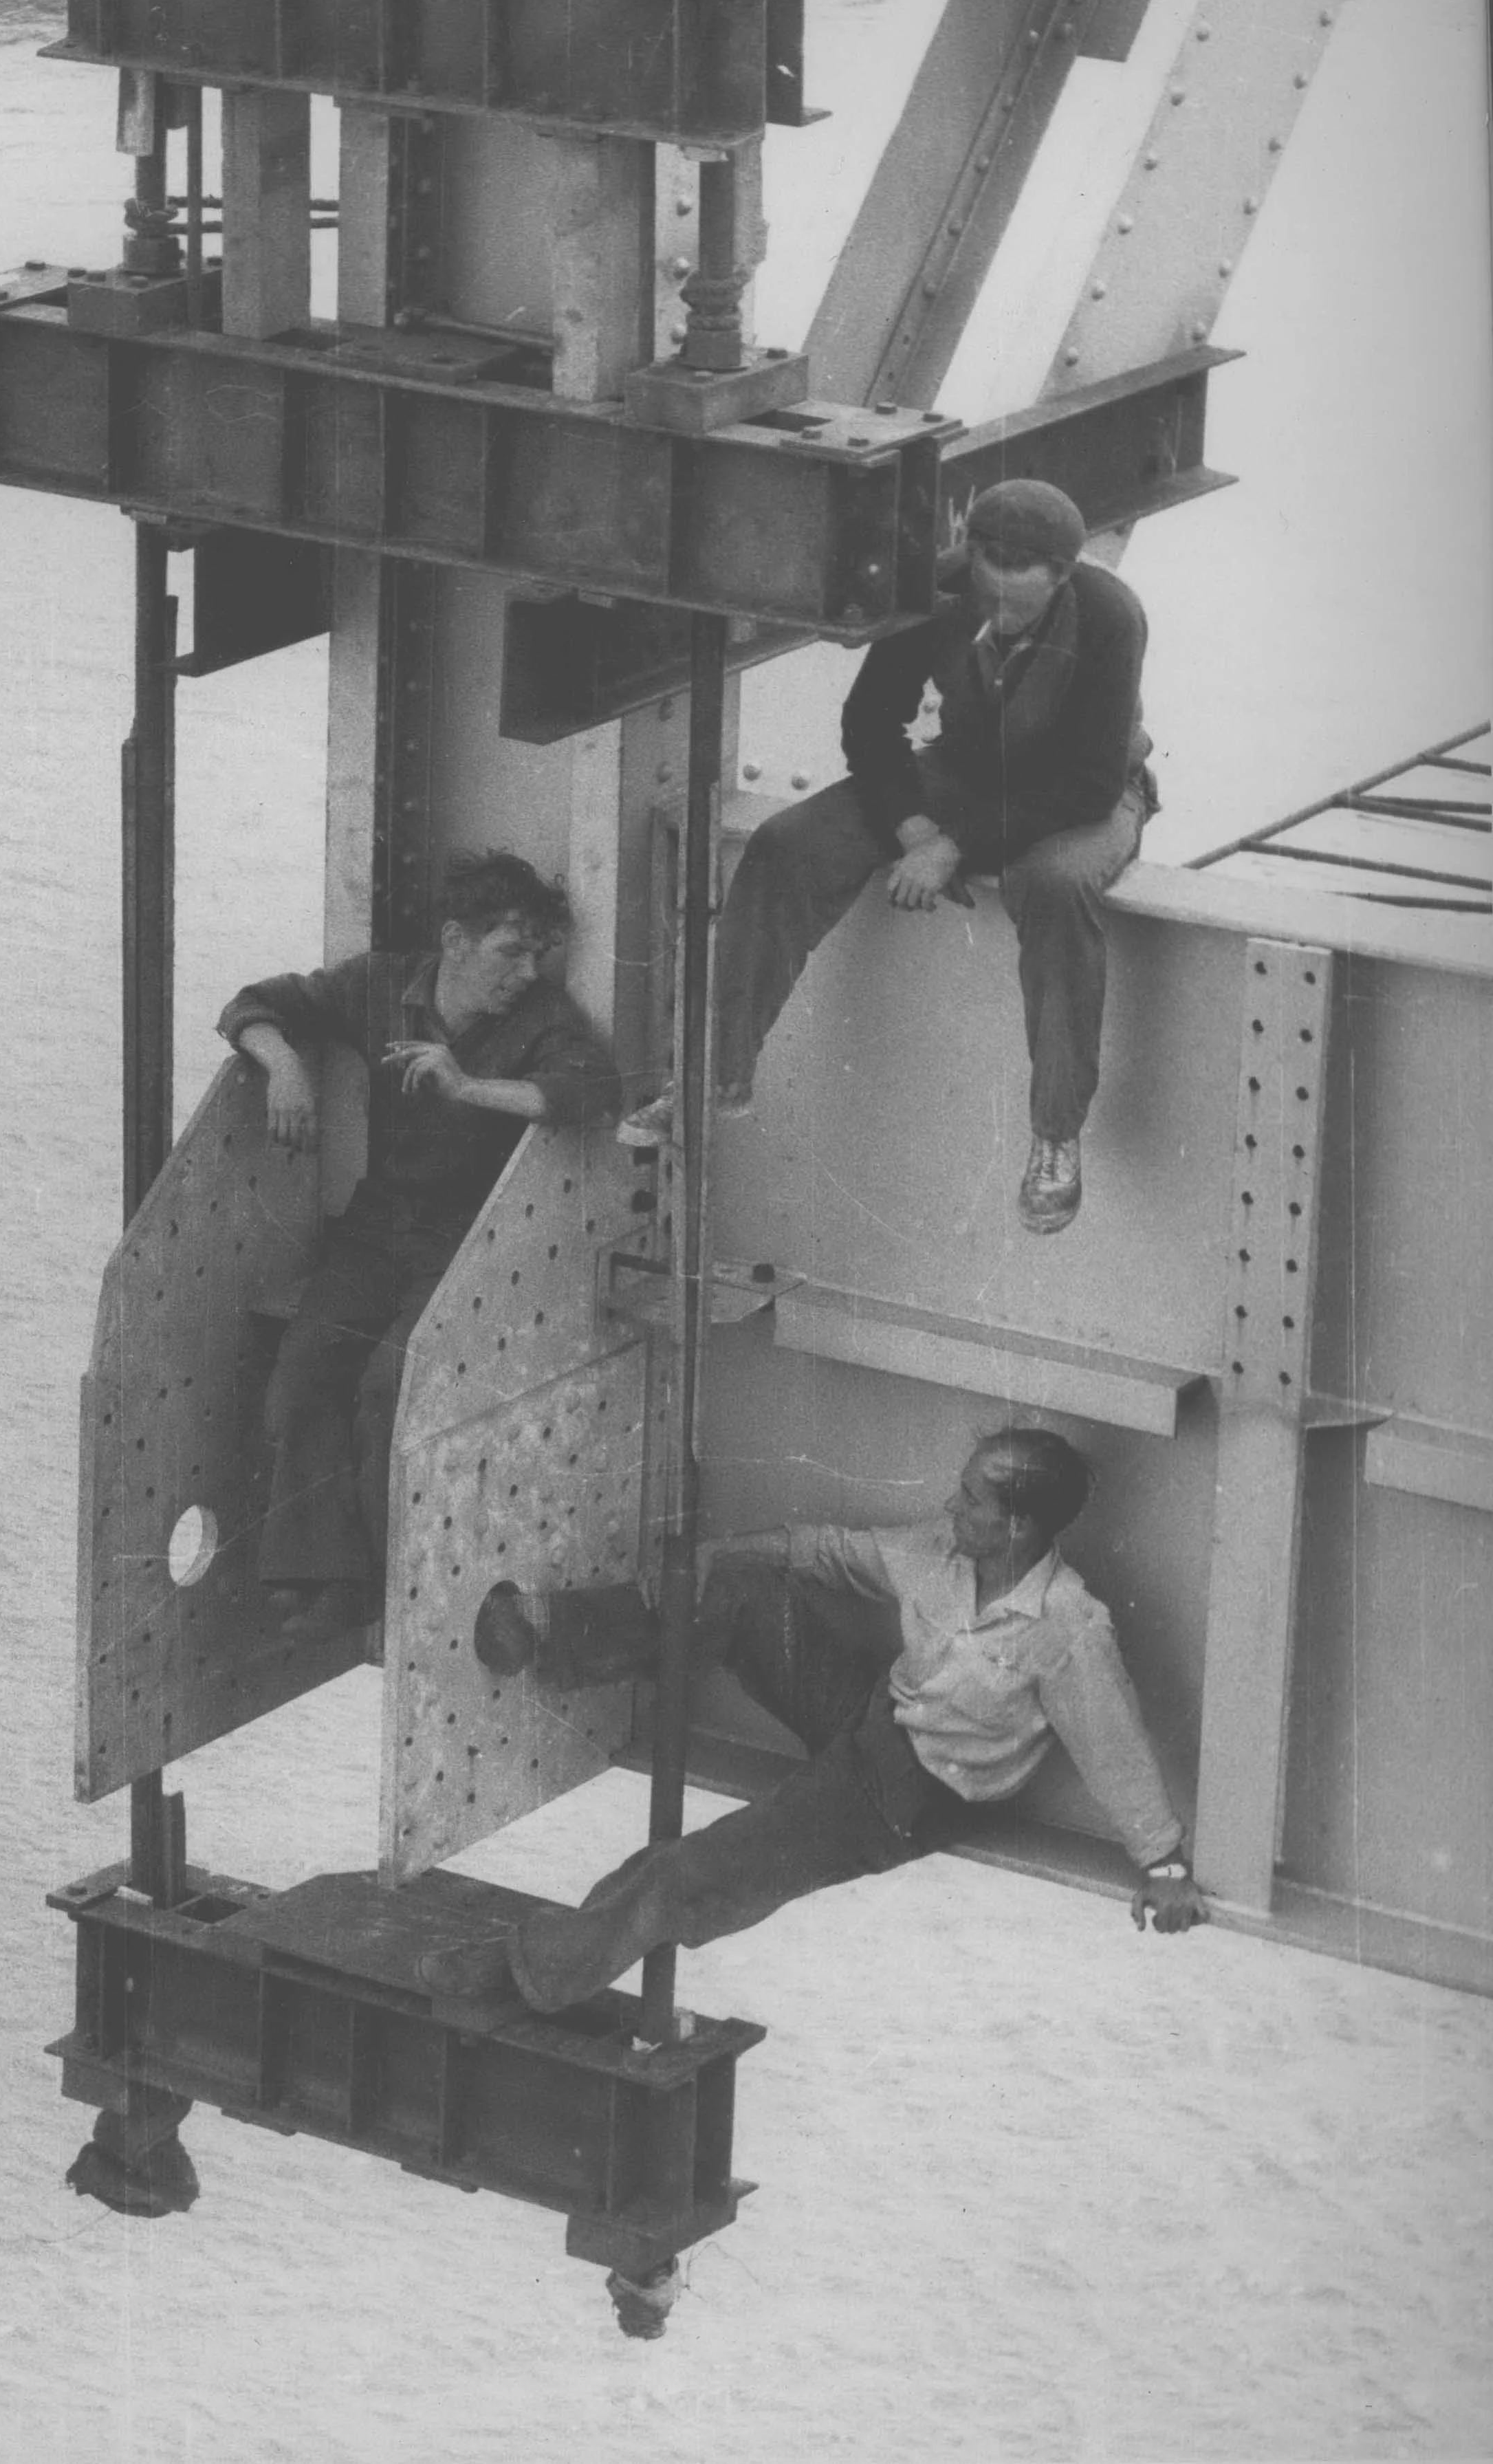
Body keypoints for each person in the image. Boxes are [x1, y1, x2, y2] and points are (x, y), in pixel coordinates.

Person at [419, 1428, 1207, 2012]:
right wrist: (720, 1551)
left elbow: (1115, 1747)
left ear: (1017, 1528)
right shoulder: (940, 1550)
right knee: (741, 1591)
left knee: (683, 1876)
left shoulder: (1067, 1627)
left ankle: (528, 1975)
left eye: (968, 1498)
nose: (948, 1504)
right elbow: (827, 1552)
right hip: (870, 1717)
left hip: (894, 1801)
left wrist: (1164, 1866)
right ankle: (549, 1631)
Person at [630, 479, 1155, 1235]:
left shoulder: (1110, 615)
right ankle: (714, 1074)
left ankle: (1055, 1133)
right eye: (988, 594)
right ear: (969, 559)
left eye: (1021, 606)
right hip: (966, 770)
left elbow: (1089, 781)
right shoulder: (936, 591)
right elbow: (871, 719)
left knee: (1051, 884)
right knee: (787, 845)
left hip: (1081, 793)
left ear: (1064, 578)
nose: (1000, 615)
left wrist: (955, 846)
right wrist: (910, 825)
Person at [221, 852, 621, 1642]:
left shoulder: (540, 1018)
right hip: (378, 1228)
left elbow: (588, 1094)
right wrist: (285, 1068)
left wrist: (467, 1086)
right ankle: (321, 1580)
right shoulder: (381, 986)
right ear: (455, 940)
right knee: (306, 1371)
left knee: (389, 1387)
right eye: (510, 950)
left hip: (463, 1241)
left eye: (537, 955)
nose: (524, 971)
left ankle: (384, 1589)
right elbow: (257, 1003)